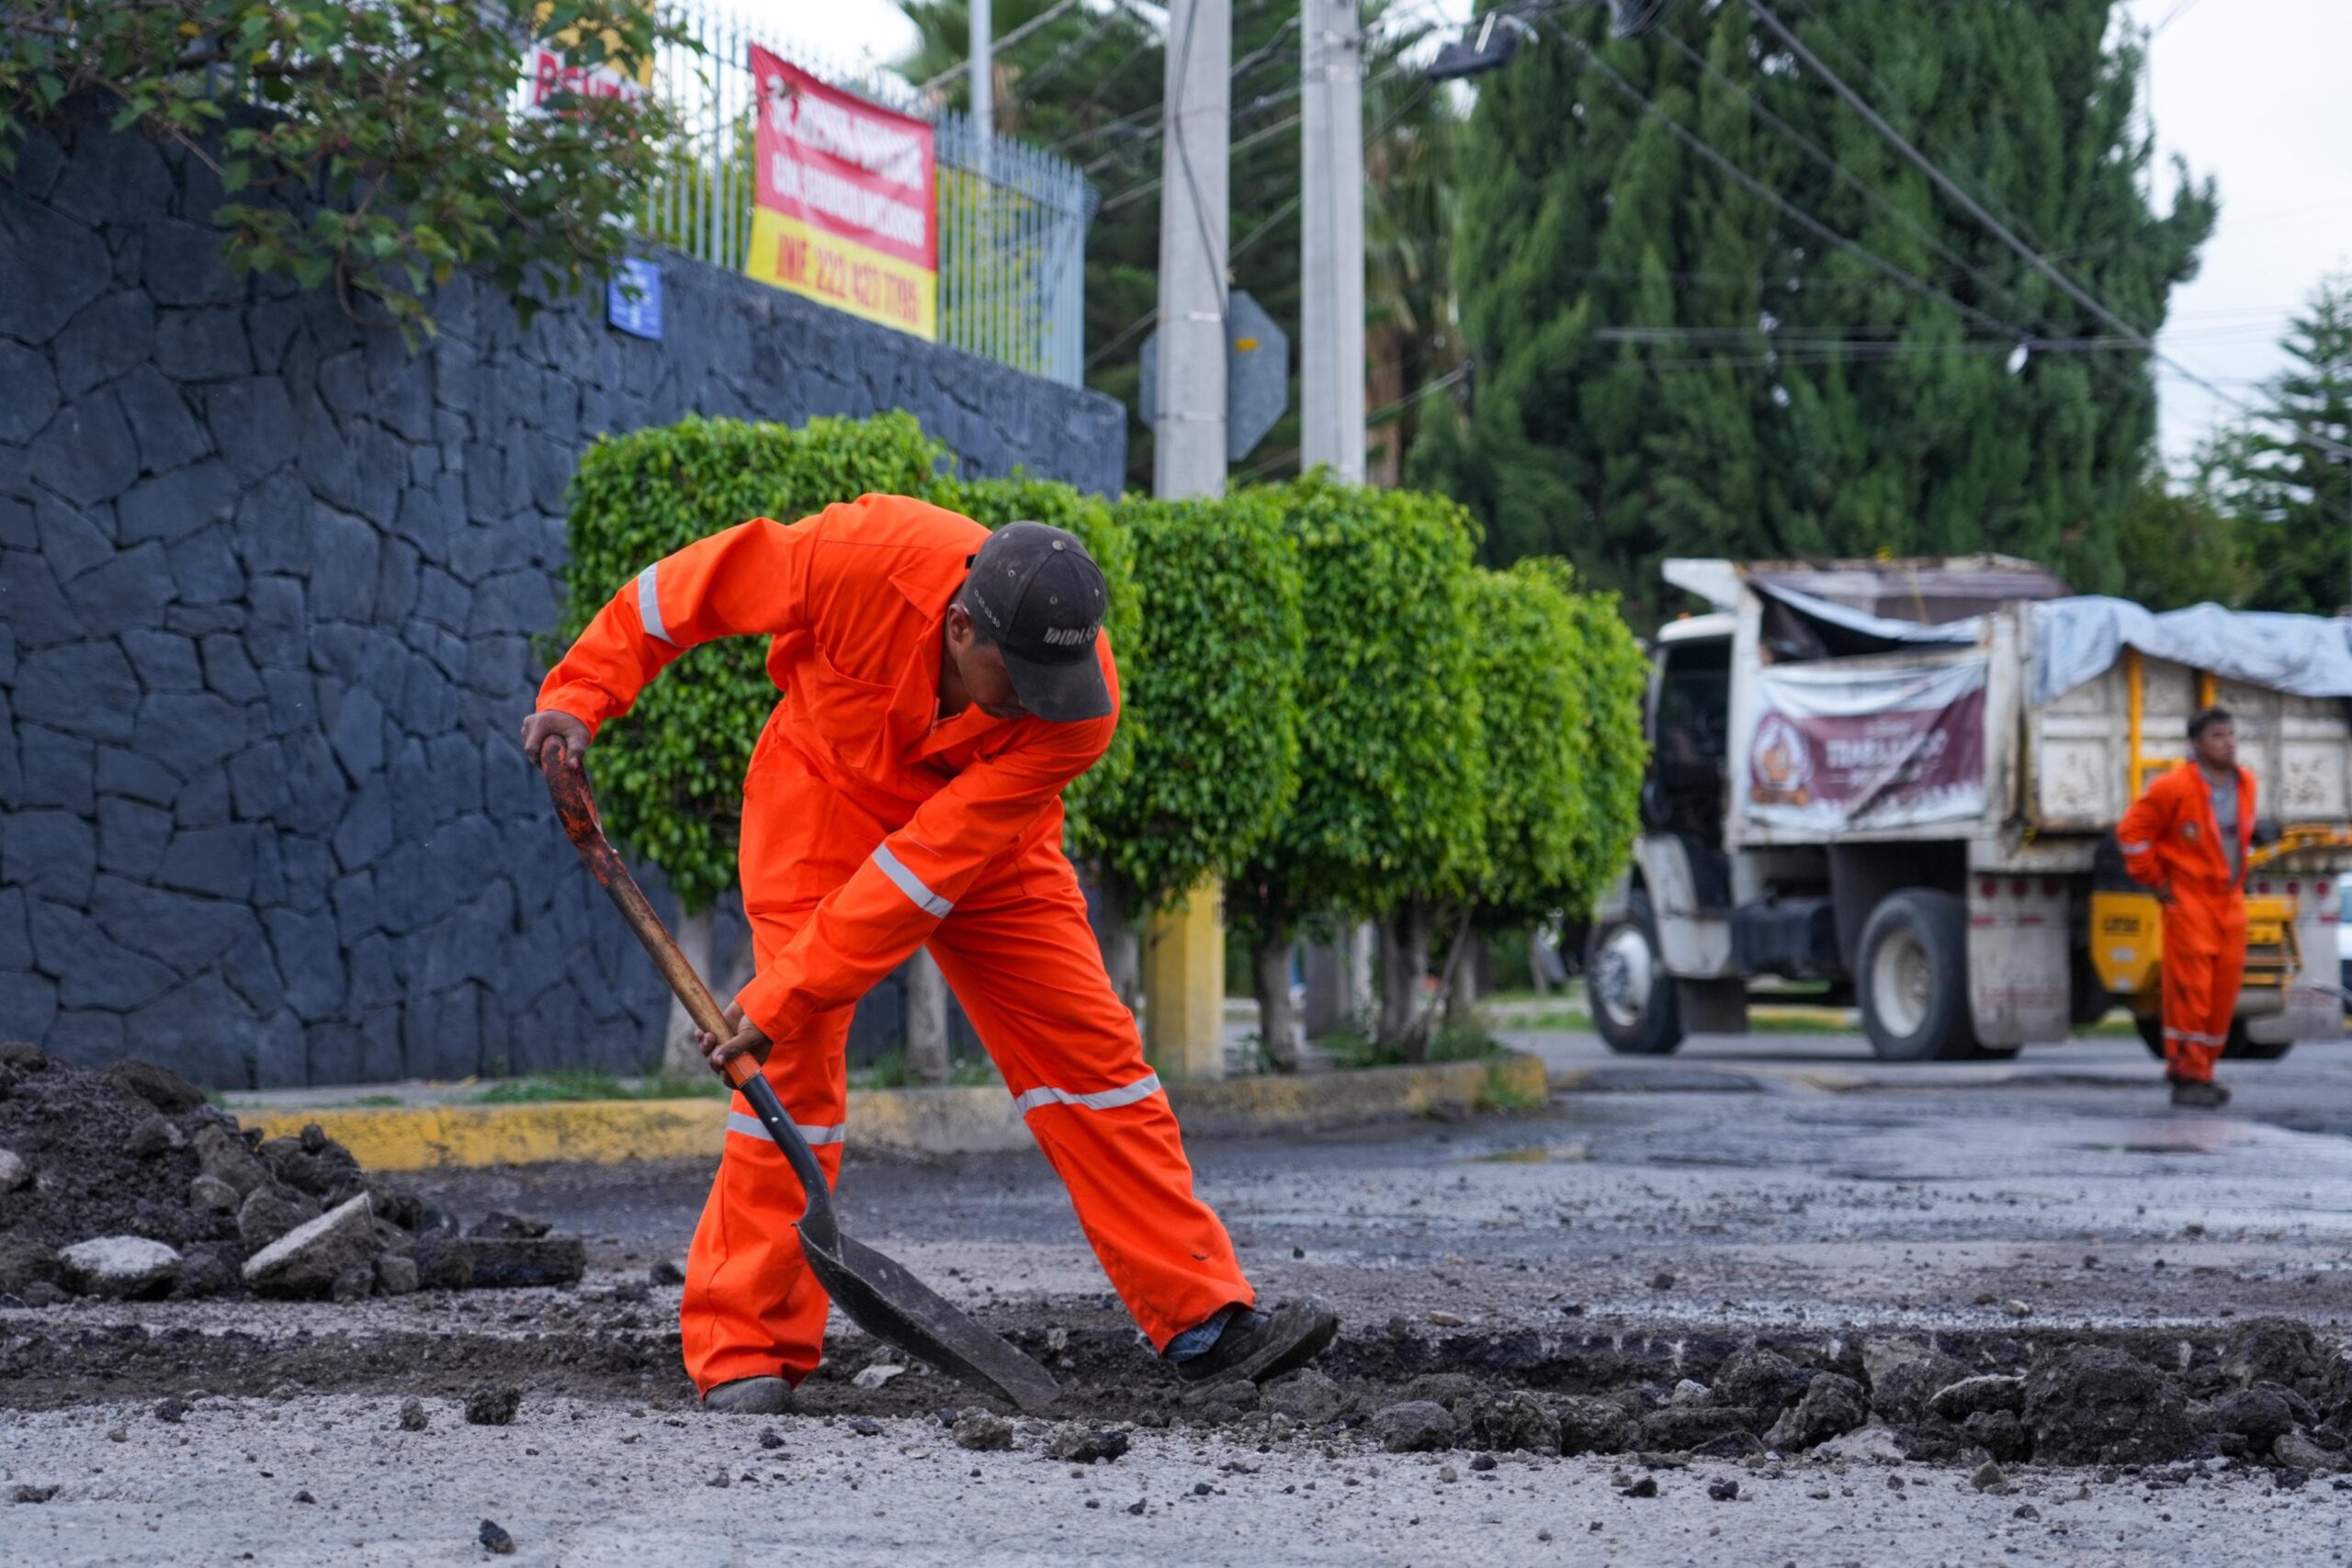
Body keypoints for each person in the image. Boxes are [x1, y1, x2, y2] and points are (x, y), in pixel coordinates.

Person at [520, 495, 1338, 1414]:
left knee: (1092, 1062)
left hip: (985, 838)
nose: (1039, 699)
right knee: (789, 1072)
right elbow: (687, 592)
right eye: (1018, 677)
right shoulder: (859, 558)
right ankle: (746, 1346)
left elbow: (924, 868)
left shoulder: (1077, 706)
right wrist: (580, 692)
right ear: (959, 629)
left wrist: (783, 987)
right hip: (820, 795)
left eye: (1052, 682)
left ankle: (1201, 1318)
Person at [2118, 706, 2254, 1110]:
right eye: (2218, 736)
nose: (2229, 743)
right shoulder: (2173, 788)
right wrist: (2156, 881)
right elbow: (2132, 833)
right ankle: (2187, 1074)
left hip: (2229, 903)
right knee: (2191, 994)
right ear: (2197, 745)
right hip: (2190, 902)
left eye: (2231, 734)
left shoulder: (2246, 783)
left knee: (2222, 995)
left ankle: (2204, 1071)